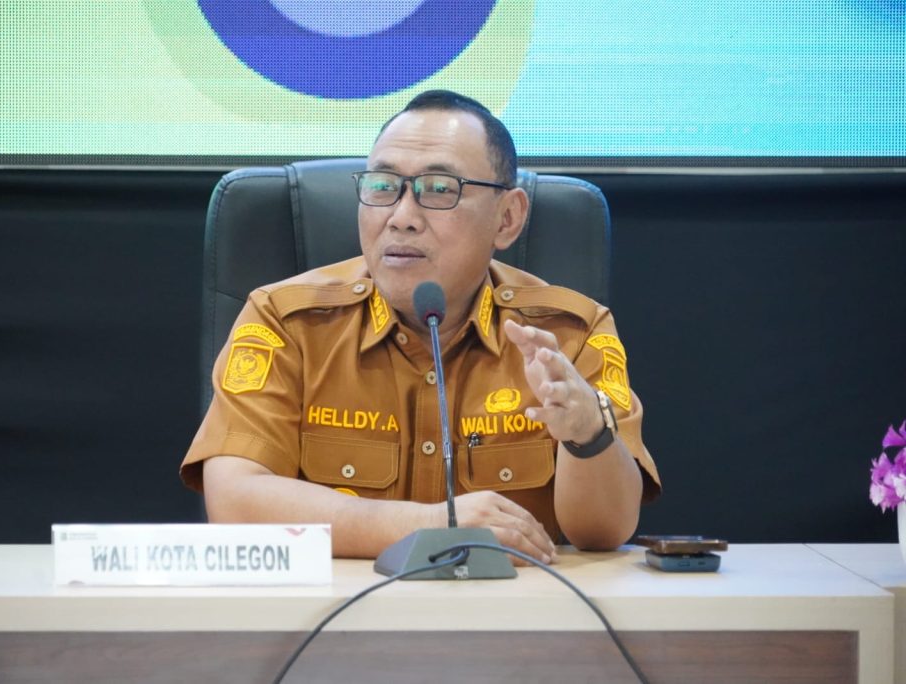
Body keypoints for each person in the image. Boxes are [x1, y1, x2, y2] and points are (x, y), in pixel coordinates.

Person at [181, 90, 659, 564]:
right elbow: (234, 501)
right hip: (336, 609)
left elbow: (604, 532)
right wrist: (433, 526)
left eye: (439, 189)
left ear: (507, 218)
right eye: (383, 186)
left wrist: (587, 434)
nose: (402, 217)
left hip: (511, 608)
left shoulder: (569, 335)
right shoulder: (286, 322)